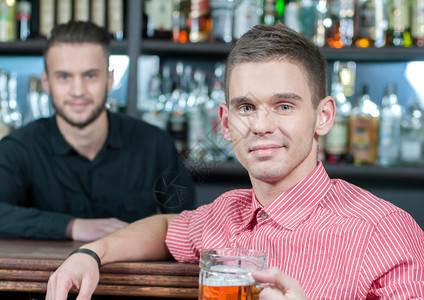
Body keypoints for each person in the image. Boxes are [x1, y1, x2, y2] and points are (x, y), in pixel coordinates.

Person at [46, 23, 424, 299]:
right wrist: (91, 255)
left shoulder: (384, 233)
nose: (260, 125)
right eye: (246, 107)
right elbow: (165, 227)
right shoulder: (224, 214)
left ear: (323, 116)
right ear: (225, 123)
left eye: (284, 105)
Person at [0, 21, 195, 242]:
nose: (78, 91)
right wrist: (71, 226)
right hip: (44, 276)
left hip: (135, 276)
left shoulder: (154, 144)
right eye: (64, 77)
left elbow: (188, 224)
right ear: (46, 82)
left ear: (109, 79)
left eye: (90, 76)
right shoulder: (18, 149)